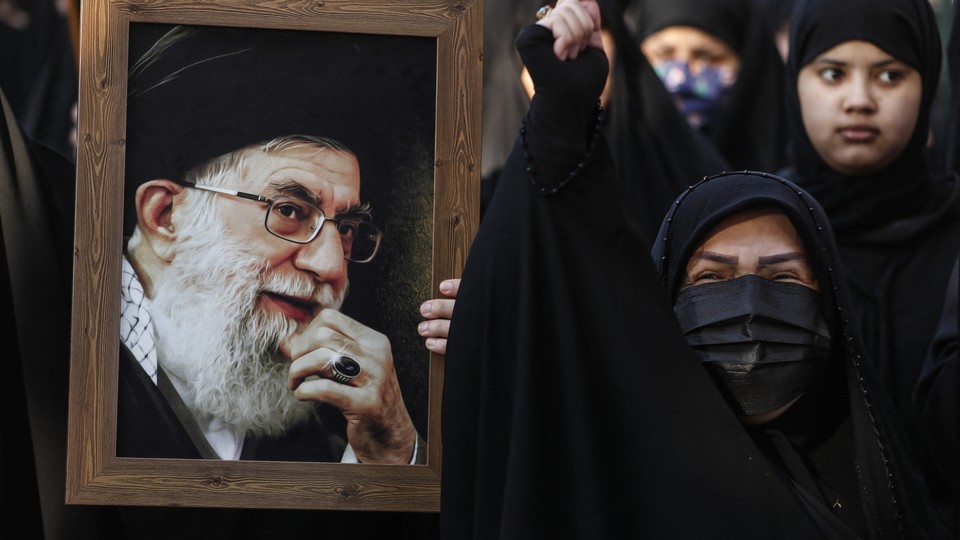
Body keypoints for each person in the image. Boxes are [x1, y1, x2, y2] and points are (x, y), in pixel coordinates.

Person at [434, 1, 952, 536]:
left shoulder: (883, 506)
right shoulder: (627, 490)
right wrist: (518, 336)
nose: (749, 310)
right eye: (711, 280)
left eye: (783, 279)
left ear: (831, 306)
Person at [112, 25, 433, 464]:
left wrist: (391, 453)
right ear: (165, 216)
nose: (332, 266)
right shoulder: (59, 356)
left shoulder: (328, 431)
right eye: (289, 210)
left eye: (346, 228)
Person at [779, 0, 960, 508]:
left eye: (890, 75)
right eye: (832, 73)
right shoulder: (760, 232)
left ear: (927, 83)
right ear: (795, 81)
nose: (859, 100)